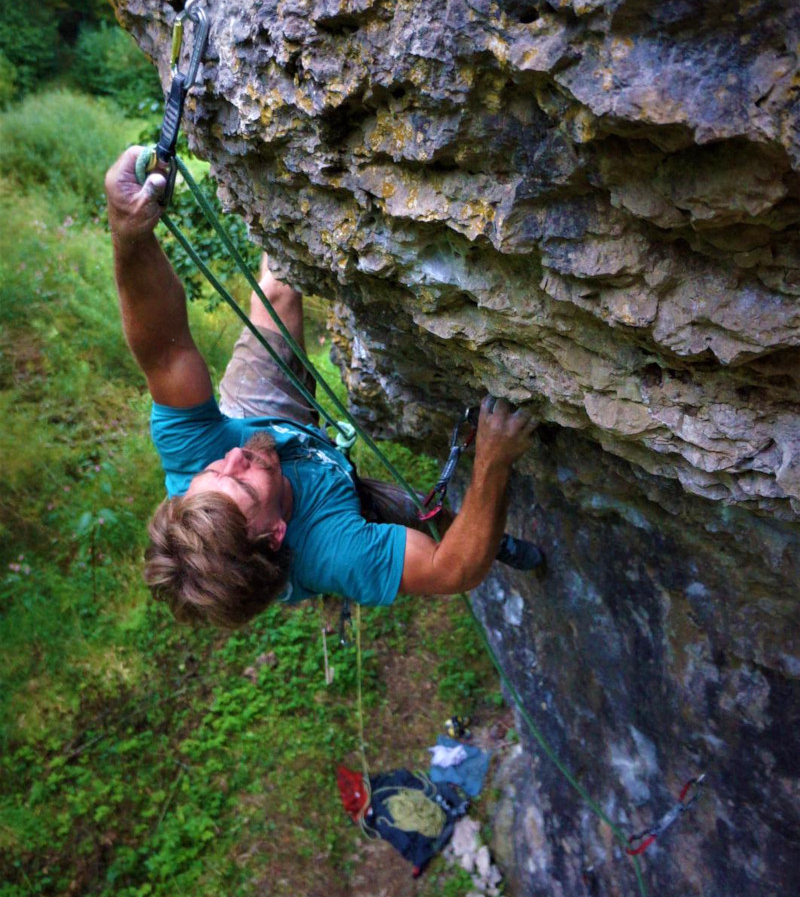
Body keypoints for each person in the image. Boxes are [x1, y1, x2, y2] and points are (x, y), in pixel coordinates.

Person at [105, 146, 544, 628]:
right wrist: (493, 461)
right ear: (275, 535)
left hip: (253, 412)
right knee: (422, 516)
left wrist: (129, 234)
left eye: (214, 472)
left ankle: (289, 193)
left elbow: (165, 352)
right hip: (326, 506)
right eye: (241, 483)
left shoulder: (199, 458)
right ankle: (494, 539)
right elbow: (452, 570)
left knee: (277, 291)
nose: (232, 458)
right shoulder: (332, 550)